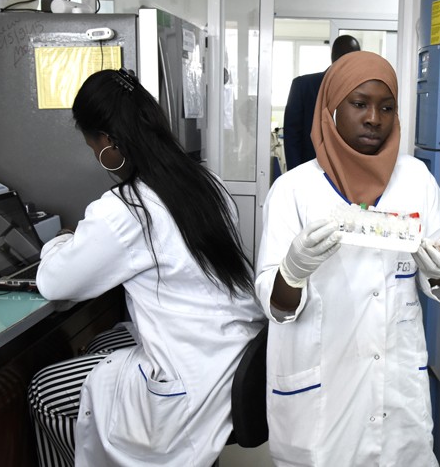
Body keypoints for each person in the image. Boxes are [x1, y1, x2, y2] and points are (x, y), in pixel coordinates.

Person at [27, 68, 265, 467]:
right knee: (105, 343)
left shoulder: (127, 209)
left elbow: (54, 282)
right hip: (233, 358)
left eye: (91, 145)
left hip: (193, 382)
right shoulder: (207, 184)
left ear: (107, 144)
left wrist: (61, 240)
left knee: (44, 391)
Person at [255, 51, 440, 466]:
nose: (374, 118)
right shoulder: (294, 191)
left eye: (386, 108)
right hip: (321, 398)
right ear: (331, 107)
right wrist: (292, 271)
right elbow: (275, 307)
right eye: (359, 104)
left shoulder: (416, 179)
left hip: (397, 392)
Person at [282, 34, 360, 170]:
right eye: (343, 56)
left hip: (350, 173)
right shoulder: (303, 86)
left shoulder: (362, 91)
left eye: (352, 57)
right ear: (333, 56)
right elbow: (292, 137)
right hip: (311, 171)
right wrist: (296, 175)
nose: (347, 62)